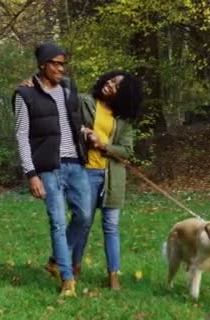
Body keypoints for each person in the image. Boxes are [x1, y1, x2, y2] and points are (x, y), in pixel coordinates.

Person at [12, 41, 91, 297]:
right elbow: (22, 136)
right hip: (48, 168)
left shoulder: (68, 89)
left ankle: (57, 259)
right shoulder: (25, 95)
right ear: (42, 64)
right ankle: (67, 278)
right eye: (56, 64)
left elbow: (72, 122)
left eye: (63, 64)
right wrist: (31, 174)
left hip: (75, 163)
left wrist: (85, 133)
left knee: (84, 216)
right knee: (57, 222)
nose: (61, 69)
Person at [75, 70, 144, 290]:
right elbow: (65, 118)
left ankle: (113, 276)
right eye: (111, 80)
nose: (109, 84)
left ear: (123, 95)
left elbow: (126, 151)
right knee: (82, 223)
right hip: (85, 172)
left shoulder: (123, 120)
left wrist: (102, 145)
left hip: (112, 178)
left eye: (116, 85)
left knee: (111, 227)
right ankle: (73, 269)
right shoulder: (85, 102)